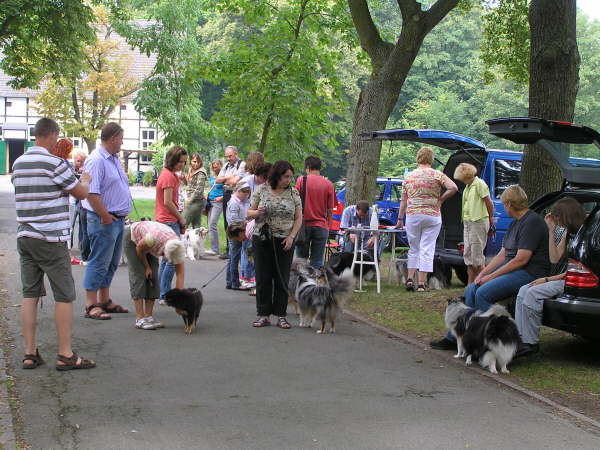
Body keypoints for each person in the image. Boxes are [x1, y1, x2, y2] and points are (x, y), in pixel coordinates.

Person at [12, 117, 95, 370]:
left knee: (30, 294)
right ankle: (65, 354)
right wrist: (86, 180)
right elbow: (80, 194)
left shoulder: (19, 163)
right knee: (64, 295)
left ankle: (29, 352)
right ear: (51, 135)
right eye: (57, 137)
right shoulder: (55, 163)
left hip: (25, 235)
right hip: (50, 238)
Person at [431, 185, 550, 351]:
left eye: (504, 204)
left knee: (483, 293)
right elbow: (502, 255)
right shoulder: (514, 224)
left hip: (529, 273)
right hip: (516, 270)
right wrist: (483, 273)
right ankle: (457, 337)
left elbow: (521, 260)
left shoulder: (532, 223)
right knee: (472, 289)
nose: (503, 207)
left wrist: (491, 277)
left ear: (509, 203)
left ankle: (491, 337)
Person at [514, 197, 586, 357]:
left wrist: (546, 279)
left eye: (558, 217)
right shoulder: (568, 233)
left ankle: (530, 342)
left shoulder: (583, 236)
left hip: (570, 281)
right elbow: (554, 258)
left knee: (533, 292)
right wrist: (551, 230)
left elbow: (573, 272)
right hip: (562, 278)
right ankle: (520, 337)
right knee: (523, 290)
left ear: (567, 215)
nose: (556, 220)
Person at [82, 122, 132, 320]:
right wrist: (104, 216)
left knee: (111, 263)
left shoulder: (112, 159)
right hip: (104, 219)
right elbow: (91, 193)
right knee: (99, 261)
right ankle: (90, 305)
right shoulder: (97, 160)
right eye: (121, 138)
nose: (122, 142)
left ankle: (104, 300)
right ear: (112, 138)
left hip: (116, 219)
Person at [247, 160, 302, 329]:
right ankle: (263, 314)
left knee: (282, 277)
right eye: (286, 176)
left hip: (285, 240)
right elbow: (249, 213)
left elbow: (299, 217)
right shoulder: (261, 189)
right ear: (276, 175)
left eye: (290, 177)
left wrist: (292, 236)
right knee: (263, 277)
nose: (288, 180)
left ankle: (281, 315)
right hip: (262, 238)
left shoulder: (294, 193)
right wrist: (257, 212)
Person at [396, 147, 458, 292]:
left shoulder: (409, 176)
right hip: (432, 215)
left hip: (413, 215)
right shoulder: (437, 174)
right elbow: (453, 188)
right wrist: (441, 199)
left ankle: (410, 279)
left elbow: (404, 200)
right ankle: (422, 283)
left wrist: (400, 218)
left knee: (414, 248)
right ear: (431, 159)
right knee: (427, 248)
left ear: (418, 158)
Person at [123, 220, 186, 330]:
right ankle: (139, 318)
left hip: (153, 240)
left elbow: (180, 275)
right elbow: (139, 249)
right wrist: (147, 267)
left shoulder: (177, 247)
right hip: (134, 239)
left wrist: (179, 303)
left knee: (153, 277)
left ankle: (148, 317)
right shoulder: (152, 239)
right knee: (139, 275)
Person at [155, 146, 188, 299]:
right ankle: (165, 293)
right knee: (172, 260)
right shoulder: (168, 176)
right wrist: (181, 218)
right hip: (168, 221)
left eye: (184, 162)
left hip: (165, 220)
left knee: (166, 259)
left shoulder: (168, 174)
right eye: (179, 162)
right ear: (172, 160)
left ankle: (161, 292)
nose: (182, 165)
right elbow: (168, 202)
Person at [454, 163, 495, 284]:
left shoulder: (479, 184)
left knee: (477, 257)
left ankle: (485, 284)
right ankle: (469, 285)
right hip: (468, 222)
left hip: (478, 222)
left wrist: (490, 218)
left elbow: (489, 203)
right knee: (468, 255)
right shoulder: (468, 187)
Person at [295, 156, 336, 269]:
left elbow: (295, 203)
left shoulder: (301, 180)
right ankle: (316, 285)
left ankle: (301, 284)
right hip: (321, 226)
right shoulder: (329, 184)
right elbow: (330, 210)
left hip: (303, 226)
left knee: (300, 261)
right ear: (319, 168)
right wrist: (328, 227)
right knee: (317, 261)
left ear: (307, 167)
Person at [240, 161, 271, 291]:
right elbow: (239, 201)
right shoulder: (246, 181)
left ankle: (252, 278)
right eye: (265, 177)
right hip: (247, 219)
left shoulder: (266, 184)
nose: (266, 180)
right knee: (247, 250)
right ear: (259, 174)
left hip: (258, 220)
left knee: (255, 251)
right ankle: (246, 278)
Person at [50, 138, 82, 265]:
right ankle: (67, 255)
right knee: (67, 227)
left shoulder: (51, 162)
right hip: (67, 200)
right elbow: (75, 188)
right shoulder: (65, 164)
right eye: (70, 149)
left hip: (53, 203)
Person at [215, 145, 246, 258]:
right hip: (227, 194)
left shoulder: (242, 165)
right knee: (227, 223)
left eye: (230, 156)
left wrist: (227, 179)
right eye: (226, 156)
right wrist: (228, 178)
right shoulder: (226, 165)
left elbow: (235, 181)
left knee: (236, 222)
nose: (228, 158)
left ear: (236, 154)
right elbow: (218, 180)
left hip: (237, 195)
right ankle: (229, 250)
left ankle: (236, 251)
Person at [225, 181, 252, 290]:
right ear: (238, 191)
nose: (246, 196)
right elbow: (233, 221)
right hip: (236, 233)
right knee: (234, 257)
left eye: (247, 194)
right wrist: (245, 223)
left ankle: (230, 281)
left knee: (234, 257)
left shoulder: (245, 201)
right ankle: (234, 282)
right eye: (244, 193)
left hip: (242, 231)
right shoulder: (234, 203)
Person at [72, 150, 90, 263]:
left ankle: (85, 256)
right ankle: (82, 251)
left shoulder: (85, 172)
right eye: (77, 161)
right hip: (79, 204)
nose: (78, 163)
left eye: (80, 161)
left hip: (84, 205)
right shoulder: (74, 170)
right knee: (81, 230)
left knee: (85, 231)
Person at [183, 153, 208, 229]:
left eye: (198, 162)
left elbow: (199, 190)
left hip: (196, 202)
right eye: (194, 161)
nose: (196, 164)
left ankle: (180, 240)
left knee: (183, 223)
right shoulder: (191, 170)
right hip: (193, 200)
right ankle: (197, 240)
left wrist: (190, 200)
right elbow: (189, 184)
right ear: (190, 161)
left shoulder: (201, 172)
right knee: (196, 225)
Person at [205, 159, 225, 256]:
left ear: (221, 166)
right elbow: (210, 187)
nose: (214, 168)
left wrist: (221, 198)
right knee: (209, 224)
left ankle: (215, 249)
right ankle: (213, 248)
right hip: (210, 202)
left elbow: (229, 190)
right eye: (213, 166)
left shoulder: (224, 177)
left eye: (216, 166)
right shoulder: (212, 177)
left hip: (218, 203)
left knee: (212, 223)